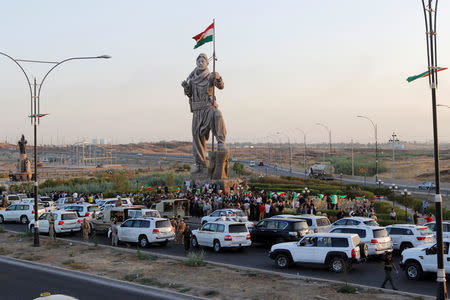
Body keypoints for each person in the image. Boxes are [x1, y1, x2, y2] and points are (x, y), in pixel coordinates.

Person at [182, 53, 227, 173]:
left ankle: (221, 142)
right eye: (199, 61)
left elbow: (221, 86)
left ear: (207, 63)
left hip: (208, 107)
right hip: (197, 111)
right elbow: (190, 94)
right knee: (197, 137)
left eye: (203, 61)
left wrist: (218, 78)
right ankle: (200, 164)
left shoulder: (209, 76)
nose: (201, 63)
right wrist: (186, 87)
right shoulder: (192, 79)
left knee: (218, 115)